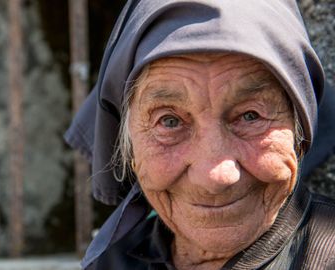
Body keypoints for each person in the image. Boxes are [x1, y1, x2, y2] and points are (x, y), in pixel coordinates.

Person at [65, 0, 335, 269]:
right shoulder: (111, 264)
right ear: (129, 146)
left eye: (250, 116)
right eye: (170, 121)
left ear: (299, 129)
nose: (215, 178)